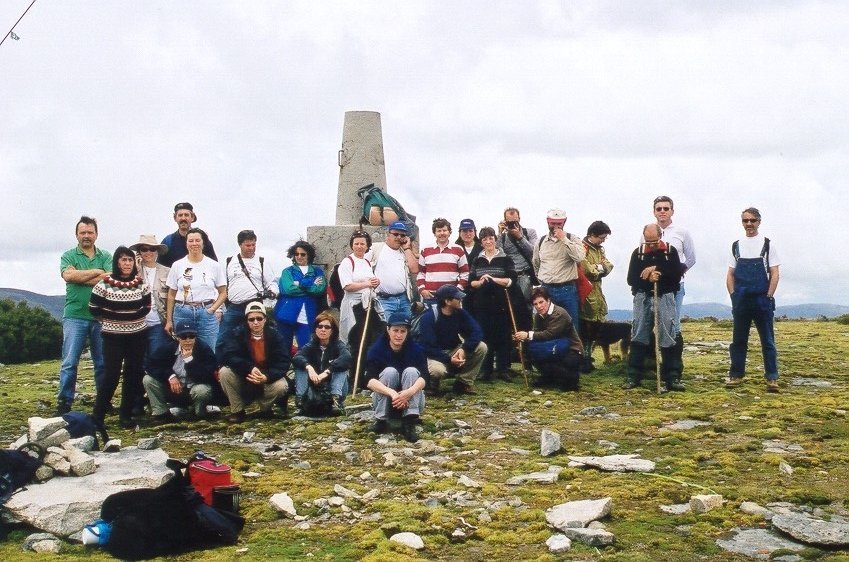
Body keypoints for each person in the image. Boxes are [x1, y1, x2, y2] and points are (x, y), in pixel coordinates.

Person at [88, 246, 152, 428]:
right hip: (112, 337)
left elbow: (146, 307)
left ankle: (125, 415)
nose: (127, 263)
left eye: (130, 260)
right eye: (123, 260)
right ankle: (98, 416)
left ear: (134, 263)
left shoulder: (141, 284)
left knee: (133, 375)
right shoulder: (104, 284)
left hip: (137, 336)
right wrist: (112, 321)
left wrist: (131, 320)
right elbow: (93, 308)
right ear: (117, 262)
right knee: (111, 375)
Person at [56, 216, 112, 415]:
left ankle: (104, 402)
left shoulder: (106, 255)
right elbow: (68, 276)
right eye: (83, 233)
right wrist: (97, 272)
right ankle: (64, 403)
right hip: (74, 316)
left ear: (96, 234)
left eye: (90, 232)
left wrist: (82, 275)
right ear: (76, 234)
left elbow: (109, 280)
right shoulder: (68, 255)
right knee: (70, 362)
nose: (86, 236)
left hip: (101, 317)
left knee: (102, 362)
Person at [726, 207, 782, 392]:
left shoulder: (767, 245)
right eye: (745, 221)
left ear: (759, 221)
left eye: (752, 220)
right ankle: (736, 375)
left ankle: (772, 378)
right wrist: (733, 296)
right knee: (738, 340)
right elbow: (730, 274)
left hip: (761, 299)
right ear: (742, 222)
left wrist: (769, 295)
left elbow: (774, 273)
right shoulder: (736, 245)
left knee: (767, 340)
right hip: (741, 299)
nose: (749, 224)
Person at [624, 224, 684, 392]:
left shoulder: (670, 252)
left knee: (668, 335)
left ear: (661, 236)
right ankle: (633, 375)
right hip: (643, 297)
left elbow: (676, 275)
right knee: (638, 334)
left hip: (665, 297)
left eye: (654, 241)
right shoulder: (638, 253)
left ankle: (672, 377)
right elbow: (631, 279)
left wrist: (658, 270)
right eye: (648, 241)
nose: (651, 245)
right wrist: (648, 278)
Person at [217, 301, 289, 422]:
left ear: (265, 319)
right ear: (247, 321)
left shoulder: (275, 336)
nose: (255, 322)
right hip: (244, 376)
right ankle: (237, 410)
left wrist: (267, 376)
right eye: (251, 319)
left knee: (282, 386)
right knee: (224, 372)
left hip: (266, 377)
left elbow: (283, 362)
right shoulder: (236, 333)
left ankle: (265, 409)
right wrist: (249, 368)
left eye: (259, 318)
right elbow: (229, 356)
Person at [652, 195, 696, 384]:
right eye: (659, 208)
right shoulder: (648, 231)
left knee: (673, 326)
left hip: (675, 287)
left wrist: (677, 272)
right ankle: (653, 367)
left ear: (672, 211)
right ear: (654, 211)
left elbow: (691, 258)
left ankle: (674, 371)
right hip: (652, 288)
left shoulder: (682, 232)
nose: (662, 211)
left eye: (666, 208)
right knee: (653, 325)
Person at [365, 312, 428, 443]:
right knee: (389, 372)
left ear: (407, 332)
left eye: (402, 331)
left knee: (411, 371)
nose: (398, 335)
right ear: (388, 330)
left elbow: (425, 377)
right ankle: (381, 420)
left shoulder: (416, 350)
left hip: (411, 401)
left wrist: (408, 392)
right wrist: (393, 393)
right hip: (388, 401)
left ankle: (410, 421)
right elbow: (369, 381)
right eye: (395, 330)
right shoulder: (376, 350)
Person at [415, 285, 487, 395]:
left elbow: (477, 331)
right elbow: (428, 347)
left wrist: (464, 349)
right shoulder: (429, 317)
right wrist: (449, 359)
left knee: (481, 347)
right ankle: (432, 384)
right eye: (457, 298)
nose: (460, 300)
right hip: (434, 355)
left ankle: (463, 383)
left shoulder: (460, 313)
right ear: (447, 301)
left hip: (454, 350)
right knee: (437, 371)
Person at [468, 226, 518, 382]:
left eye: (491, 238)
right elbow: (471, 282)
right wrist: (481, 281)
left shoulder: (505, 258)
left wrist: (494, 279)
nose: (488, 241)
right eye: (484, 239)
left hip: (501, 302)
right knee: (485, 336)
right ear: (481, 242)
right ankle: (485, 370)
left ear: (495, 240)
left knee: (503, 336)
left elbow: (511, 280)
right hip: (482, 303)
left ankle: (503, 369)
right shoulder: (477, 259)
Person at [164, 227, 226, 350]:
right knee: (184, 351)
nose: (194, 244)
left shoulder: (214, 265)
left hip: (206, 313)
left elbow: (223, 292)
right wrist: (169, 320)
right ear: (186, 243)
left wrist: (212, 310)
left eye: (197, 240)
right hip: (182, 312)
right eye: (190, 241)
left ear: (203, 243)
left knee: (208, 350)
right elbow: (171, 294)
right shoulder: (177, 265)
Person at [143, 321, 216, 423]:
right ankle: (161, 413)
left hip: (194, 389)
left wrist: (189, 361)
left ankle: (199, 413)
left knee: (202, 390)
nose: (188, 340)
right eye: (183, 337)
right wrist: (170, 376)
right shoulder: (167, 348)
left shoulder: (204, 349)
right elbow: (150, 365)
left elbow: (207, 375)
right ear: (177, 337)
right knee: (148, 379)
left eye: (191, 336)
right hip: (173, 389)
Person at [514, 287, 583, 391]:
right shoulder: (538, 316)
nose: (539, 306)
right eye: (535, 304)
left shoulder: (559, 313)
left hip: (572, 350)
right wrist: (522, 339)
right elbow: (537, 334)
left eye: (541, 302)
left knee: (564, 368)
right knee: (533, 353)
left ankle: (570, 379)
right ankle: (550, 377)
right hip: (552, 348)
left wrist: (527, 335)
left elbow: (550, 334)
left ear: (548, 300)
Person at [220, 230, 278, 347]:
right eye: (248, 245)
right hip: (234, 306)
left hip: (254, 305)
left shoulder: (262, 261)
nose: (251, 248)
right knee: (223, 337)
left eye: (253, 244)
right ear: (240, 245)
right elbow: (221, 286)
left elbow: (272, 283)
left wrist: (272, 292)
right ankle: (220, 363)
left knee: (256, 338)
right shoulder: (229, 261)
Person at [532, 209, 586, 334]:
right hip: (547, 290)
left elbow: (579, 257)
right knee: (547, 326)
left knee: (571, 327)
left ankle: (574, 352)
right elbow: (536, 263)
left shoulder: (573, 239)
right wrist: (543, 280)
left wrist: (564, 240)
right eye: (552, 223)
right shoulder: (540, 242)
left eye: (559, 223)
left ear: (564, 222)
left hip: (567, 289)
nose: (556, 226)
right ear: (547, 222)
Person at [291, 312, 351, 416]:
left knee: (341, 366)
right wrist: (309, 367)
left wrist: (328, 371)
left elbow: (347, 358)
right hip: (315, 388)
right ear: (315, 329)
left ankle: (335, 401)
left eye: (327, 327)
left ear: (332, 331)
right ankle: (300, 400)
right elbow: (297, 357)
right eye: (320, 326)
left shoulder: (338, 345)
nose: (323, 329)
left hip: (334, 387)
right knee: (301, 365)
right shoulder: (310, 346)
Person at [274, 240, 327, 352]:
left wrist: (299, 284)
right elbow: (288, 289)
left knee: (306, 349)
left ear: (309, 255)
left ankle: (302, 369)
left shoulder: (317, 272)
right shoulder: (287, 271)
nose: (299, 256)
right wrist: (309, 284)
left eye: (303, 254)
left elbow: (319, 289)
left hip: (308, 316)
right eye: (296, 254)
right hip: (286, 315)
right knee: (283, 349)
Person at [130, 235, 171, 373]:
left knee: (156, 355)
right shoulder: (132, 271)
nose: (148, 252)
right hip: (136, 324)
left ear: (157, 251)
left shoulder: (168, 271)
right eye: (144, 249)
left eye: (152, 249)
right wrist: (136, 269)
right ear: (139, 252)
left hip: (158, 322)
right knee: (137, 359)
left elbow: (173, 298)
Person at [579, 221, 614, 372]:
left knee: (595, 327)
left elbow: (608, 265)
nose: (603, 240)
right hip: (586, 291)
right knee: (585, 327)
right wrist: (600, 268)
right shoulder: (582, 248)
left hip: (598, 290)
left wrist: (600, 267)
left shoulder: (600, 249)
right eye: (601, 237)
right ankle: (584, 359)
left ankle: (588, 358)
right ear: (592, 235)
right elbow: (587, 270)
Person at [371, 221, 419, 322]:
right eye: (396, 234)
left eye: (402, 235)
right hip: (383, 300)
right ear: (387, 235)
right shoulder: (375, 248)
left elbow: (415, 269)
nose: (399, 237)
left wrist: (406, 248)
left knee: (406, 330)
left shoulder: (404, 252)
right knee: (386, 330)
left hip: (404, 300)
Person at [416, 218, 469, 305]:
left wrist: (458, 290)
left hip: (451, 297)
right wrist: (422, 290)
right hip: (431, 296)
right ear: (434, 233)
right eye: (439, 231)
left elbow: (465, 273)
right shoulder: (425, 250)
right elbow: (421, 273)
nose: (442, 233)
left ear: (449, 232)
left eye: (444, 230)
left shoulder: (458, 249)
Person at [498, 207, 539, 306]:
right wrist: (499, 234)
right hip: (509, 277)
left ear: (519, 219)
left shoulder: (529, 232)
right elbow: (498, 255)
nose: (513, 225)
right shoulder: (503, 236)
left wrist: (520, 237)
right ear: (505, 221)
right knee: (510, 307)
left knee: (526, 306)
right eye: (509, 222)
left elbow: (534, 252)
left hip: (524, 275)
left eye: (515, 222)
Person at [160, 202, 217, 268]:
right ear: (175, 218)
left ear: (192, 217)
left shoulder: (203, 240)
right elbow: (160, 268)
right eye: (180, 215)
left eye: (186, 215)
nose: (183, 218)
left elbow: (214, 266)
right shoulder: (168, 241)